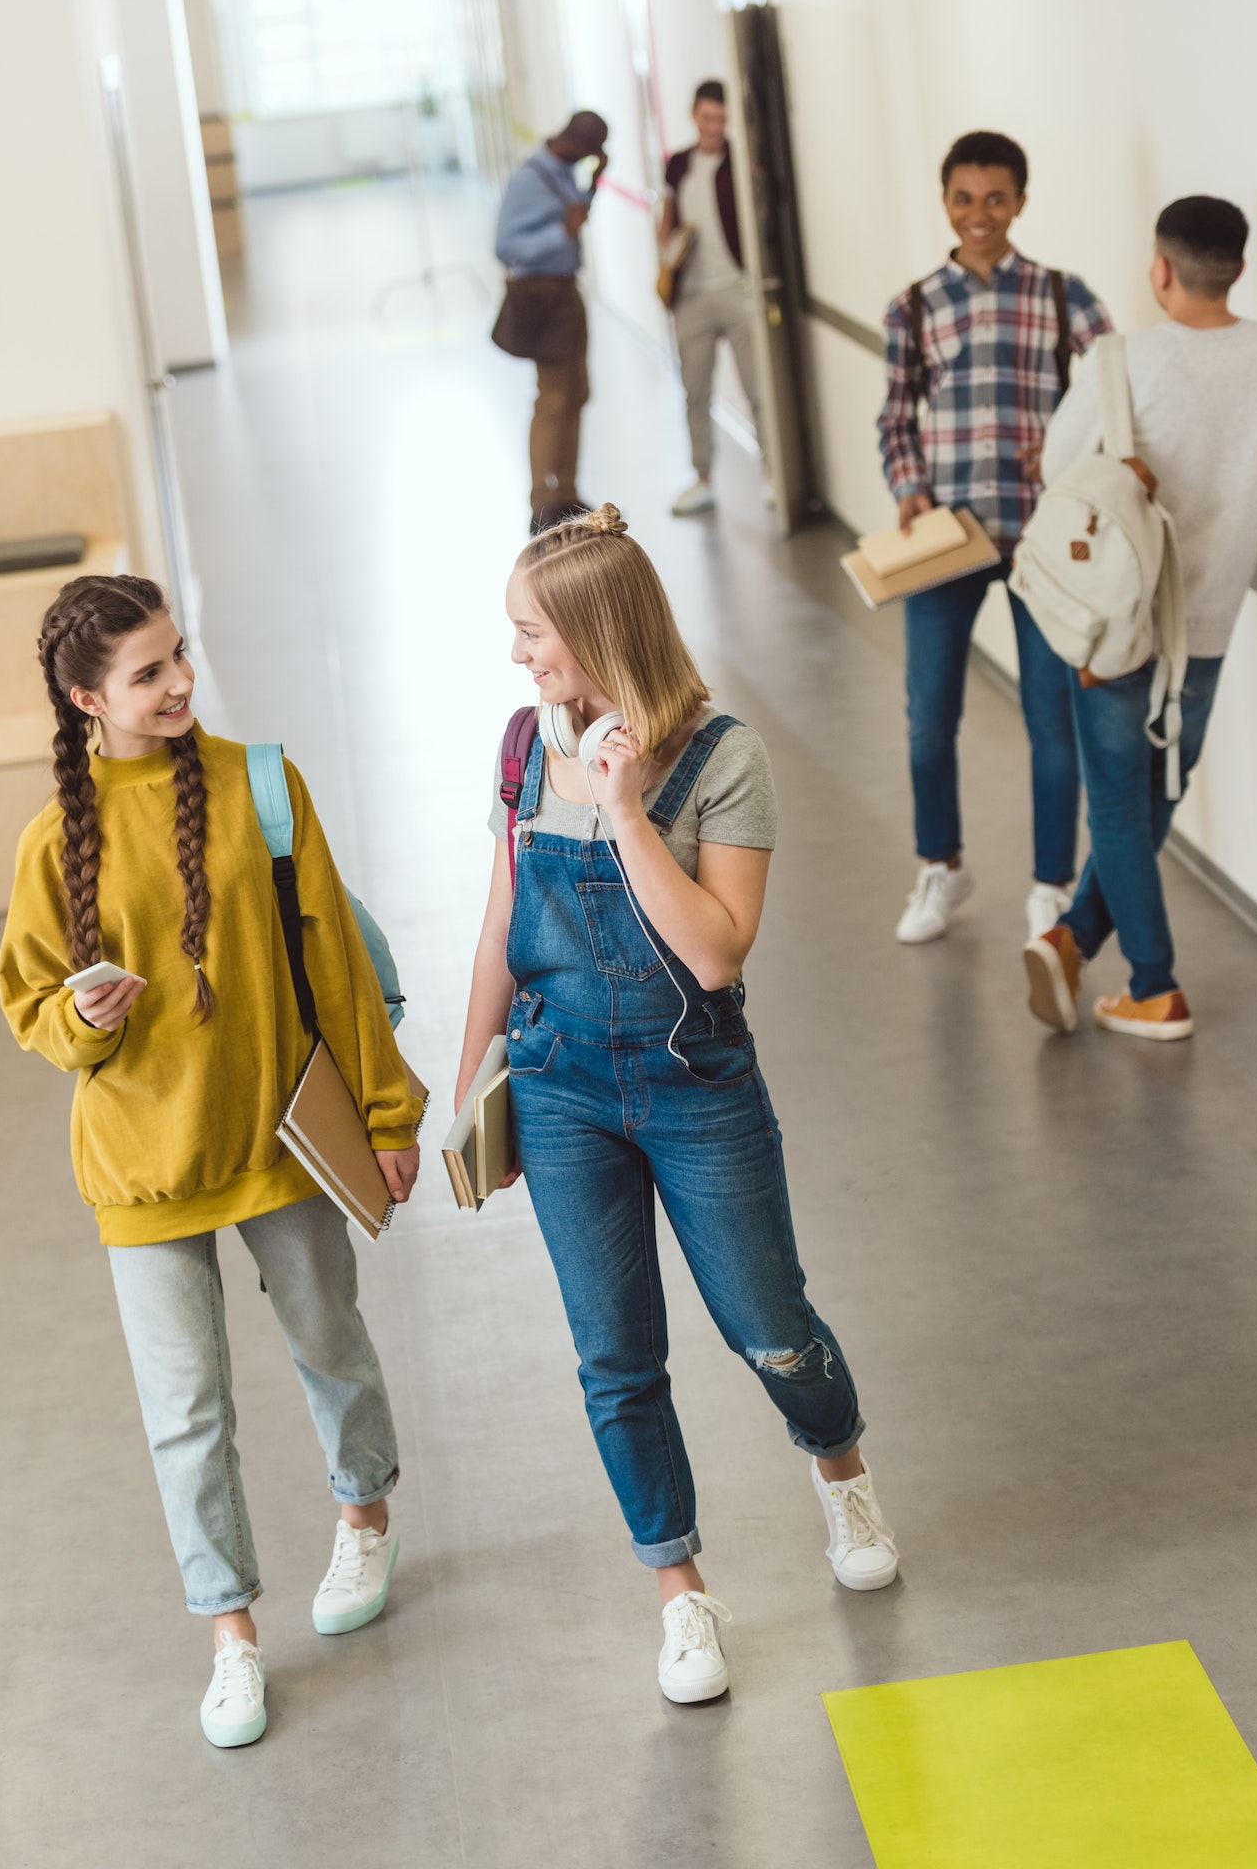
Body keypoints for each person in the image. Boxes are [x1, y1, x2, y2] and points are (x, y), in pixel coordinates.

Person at [455, 504, 899, 1705]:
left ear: (600, 631)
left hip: (696, 1082)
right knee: (616, 1357)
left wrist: (625, 810)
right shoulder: (516, 747)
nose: (519, 656)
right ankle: (681, 1588)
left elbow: (714, 952)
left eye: (532, 631)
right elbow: (503, 926)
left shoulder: (725, 757)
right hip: (556, 1090)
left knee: (772, 1322)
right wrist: (469, 1090)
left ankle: (839, 1464)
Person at [0, 575, 422, 1748]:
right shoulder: (50, 843)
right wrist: (86, 1016)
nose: (178, 681)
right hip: (141, 1162)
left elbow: (334, 959)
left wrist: (386, 1112)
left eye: (178, 655)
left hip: (277, 1136)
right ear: (88, 697)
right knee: (185, 1410)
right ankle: (230, 1630)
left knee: (328, 1339)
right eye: (146, 672)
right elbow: (30, 1005)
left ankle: (365, 1510)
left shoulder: (263, 784)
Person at [1023, 197, 1257, 1041]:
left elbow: (1055, 468)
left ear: (1159, 269)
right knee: (1154, 793)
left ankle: (1155, 986)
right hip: (1208, 621)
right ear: (1241, 270)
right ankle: (1073, 940)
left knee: (1115, 802)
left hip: (1119, 620)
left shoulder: (1122, 359)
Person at [878, 130, 1113, 947]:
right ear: (944, 201)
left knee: (1051, 723)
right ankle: (940, 868)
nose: (979, 214)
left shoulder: (1062, 296)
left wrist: (1073, 452)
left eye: (995, 198)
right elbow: (894, 414)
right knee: (925, 719)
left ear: (1019, 201)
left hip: (1040, 539)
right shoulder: (911, 306)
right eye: (963, 198)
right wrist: (908, 485)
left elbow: (1118, 392)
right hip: (945, 540)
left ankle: (1050, 886)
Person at [494, 110, 609, 533]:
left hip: (565, 291)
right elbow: (505, 247)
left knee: (576, 392)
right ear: (577, 145)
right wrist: (559, 234)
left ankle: (566, 491)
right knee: (553, 398)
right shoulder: (529, 179)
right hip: (541, 296)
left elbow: (574, 215)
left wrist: (595, 183)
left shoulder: (562, 171)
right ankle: (542, 502)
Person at [660, 80, 766, 515]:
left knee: (757, 388)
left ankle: (774, 474)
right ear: (694, 115)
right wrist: (667, 260)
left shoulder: (740, 162)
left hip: (736, 289)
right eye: (707, 118)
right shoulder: (679, 165)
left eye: (721, 119)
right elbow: (666, 221)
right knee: (695, 391)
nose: (714, 127)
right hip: (692, 296)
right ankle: (702, 477)